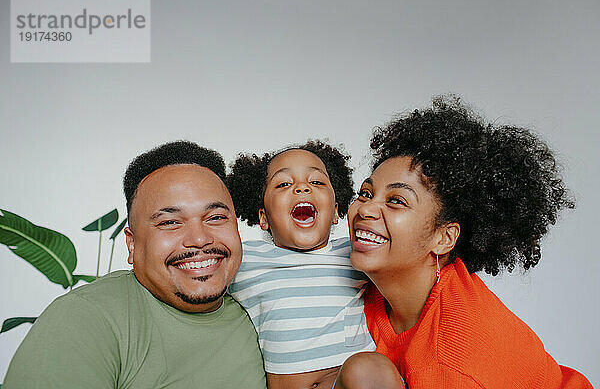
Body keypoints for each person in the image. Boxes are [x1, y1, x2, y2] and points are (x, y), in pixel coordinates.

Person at [335, 97, 593, 389]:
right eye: (366, 193)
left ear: (443, 238)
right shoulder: (369, 285)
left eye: (396, 201)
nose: (365, 209)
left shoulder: (450, 363)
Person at [3, 141, 267, 389]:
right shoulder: (86, 318)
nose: (199, 239)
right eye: (170, 222)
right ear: (132, 243)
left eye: (216, 217)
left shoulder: (263, 305)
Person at [227, 140, 376, 389]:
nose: (302, 188)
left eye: (316, 182)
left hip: (355, 382)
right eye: (284, 184)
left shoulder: (355, 252)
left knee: (370, 367)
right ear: (263, 217)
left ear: (336, 211)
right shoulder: (245, 258)